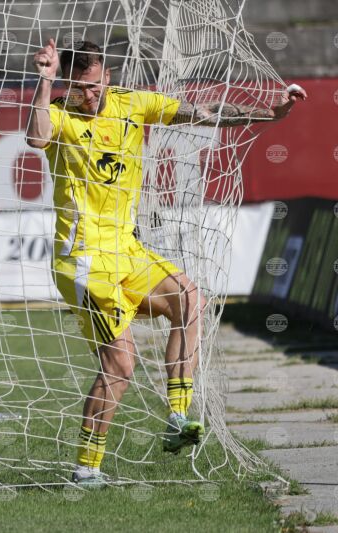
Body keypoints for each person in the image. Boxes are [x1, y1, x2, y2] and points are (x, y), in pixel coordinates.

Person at [26, 39, 306, 485]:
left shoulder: (133, 104)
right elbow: (36, 137)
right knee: (121, 365)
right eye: (79, 87)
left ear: (108, 77)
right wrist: (44, 81)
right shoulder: (59, 113)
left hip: (127, 251)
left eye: (95, 86)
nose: (89, 95)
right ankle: (86, 467)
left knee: (189, 299)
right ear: (67, 84)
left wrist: (269, 113)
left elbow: (205, 111)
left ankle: (177, 416)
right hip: (84, 262)